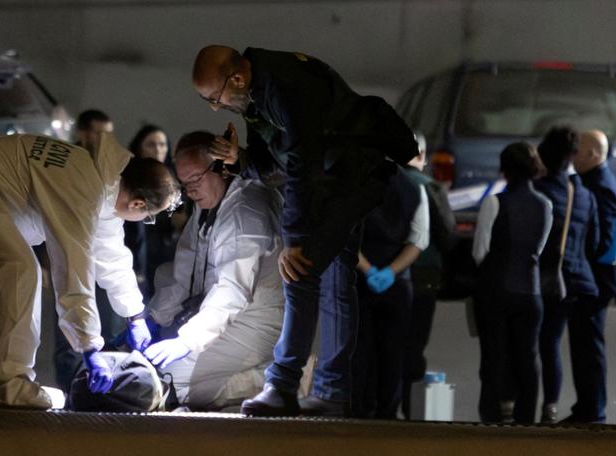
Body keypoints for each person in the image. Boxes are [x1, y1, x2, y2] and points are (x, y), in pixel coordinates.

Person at [191, 45, 418, 416]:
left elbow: (302, 162)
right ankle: (332, 392)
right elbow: (273, 163)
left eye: (214, 98)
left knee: (300, 270)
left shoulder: (286, 86)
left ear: (236, 77)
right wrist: (239, 160)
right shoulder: (255, 93)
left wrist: (296, 239)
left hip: (352, 174)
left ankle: (283, 385)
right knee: (335, 282)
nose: (216, 107)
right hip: (339, 176)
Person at [0, 132, 180, 408]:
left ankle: (9, 382)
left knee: (22, 268)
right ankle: (10, 384)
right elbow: (73, 268)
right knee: (21, 269)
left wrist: (135, 315)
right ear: (137, 204)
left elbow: (111, 256)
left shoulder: (102, 182)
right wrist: (89, 346)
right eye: (148, 217)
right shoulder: (83, 188)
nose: (143, 221)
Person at [142, 131, 284, 410]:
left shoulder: (245, 212)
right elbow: (184, 271)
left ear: (222, 168)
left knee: (171, 382)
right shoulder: (209, 205)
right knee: (157, 372)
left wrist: (187, 341)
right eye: (185, 183)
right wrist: (153, 319)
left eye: (196, 179)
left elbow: (231, 291)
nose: (191, 190)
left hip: (256, 319)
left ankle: (274, 378)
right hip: (225, 315)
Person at [472, 142, 552, 423]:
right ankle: (526, 419)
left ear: (504, 168)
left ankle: (492, 417)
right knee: (528, 359)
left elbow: (480, 251)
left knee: (494, 356)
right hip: (531, 291)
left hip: (496, 289)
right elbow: (538, 248)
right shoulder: (545, 205)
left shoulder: (494, 203)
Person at [54, 108, 124, 393]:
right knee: (68, 330)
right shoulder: (65, 165)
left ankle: (97, 386)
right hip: (67, 256)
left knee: (103, 328)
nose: (104, 140)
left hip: (100, 262)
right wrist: (49, 263)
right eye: (99, 133)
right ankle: (72, 388)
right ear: (83, 133)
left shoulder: (111, 172)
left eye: (109, 134)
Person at [352, 166, 430, 419]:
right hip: (397, 284)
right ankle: (387, 416)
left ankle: (360, 412)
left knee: (359, 351)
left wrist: (368, 269)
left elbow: (343, 234)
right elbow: (419, 239)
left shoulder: (356, 181)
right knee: (393, 354)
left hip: (359, 281)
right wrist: (390, 272)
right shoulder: (414, 188)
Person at [534, 126, 599, 423]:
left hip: (544, 279)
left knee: (534, 343)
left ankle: (521, 402)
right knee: (553, 343)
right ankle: (551, 406)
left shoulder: (539, 192)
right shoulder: (584, 195)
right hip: (577, 280)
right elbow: (593, 241)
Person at [566, 130, 616, 423]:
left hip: (597, 282)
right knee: (585, 346)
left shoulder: (601, 184)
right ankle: (587, 409)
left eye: (577, 151)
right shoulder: (595, 180)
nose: (572, 156)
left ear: (592, 154)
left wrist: (598, 274)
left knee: (589, 348)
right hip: (594, 280)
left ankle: (592, 412)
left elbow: (613, 232)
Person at [400, 136, 455, 419]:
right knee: (414, 346)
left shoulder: (380, 183)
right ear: (421, 154)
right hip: (423, 275)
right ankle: (410, 416)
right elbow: (447, 234)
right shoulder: (430, 187)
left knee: (385, 343)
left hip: (385, 275)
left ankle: (379, 411)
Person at [127, 125, 179, 300]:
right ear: (139, 147)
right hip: (135, 250)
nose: (158, 149)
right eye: (151, 144)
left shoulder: (177, 180)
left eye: (162, 144)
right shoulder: (127, 178)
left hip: (165, 253)